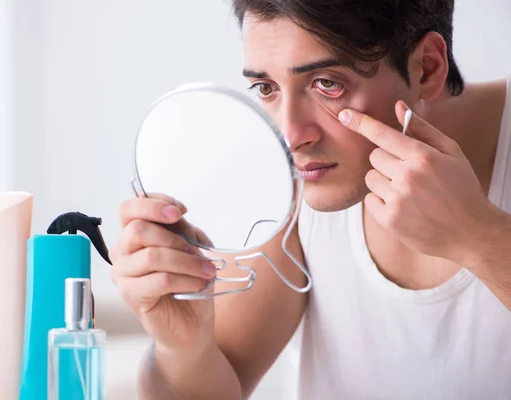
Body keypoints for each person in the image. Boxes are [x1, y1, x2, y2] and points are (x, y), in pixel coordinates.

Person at [108, 0, 511, 398]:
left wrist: (480, 238)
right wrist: (182, 348)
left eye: (327, 84)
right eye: (266, 88)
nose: (290, 135)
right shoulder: (289, 185)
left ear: (426, 67)